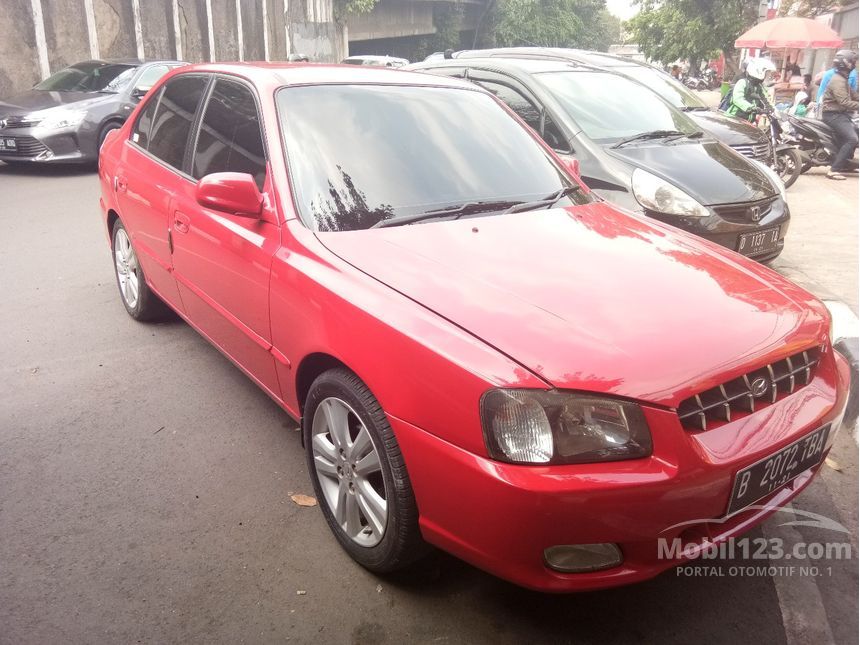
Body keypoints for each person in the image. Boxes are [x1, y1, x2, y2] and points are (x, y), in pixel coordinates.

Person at [820, 50, 859, 180]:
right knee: (852, 139)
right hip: (833, 115)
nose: (855, 64)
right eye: (853, 62)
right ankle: (833, 170)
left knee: (856, 132)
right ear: (846, 64)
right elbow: (844, 102)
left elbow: (854, 95)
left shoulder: (843, 79)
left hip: (839, 114)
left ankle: (845, 163)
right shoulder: (838, 80)